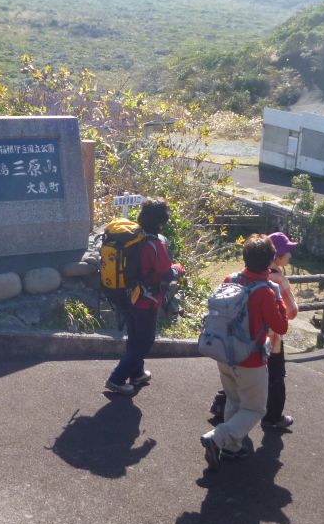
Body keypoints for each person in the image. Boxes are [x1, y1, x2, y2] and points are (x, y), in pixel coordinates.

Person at [200, 234, 288, 469]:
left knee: (234, 400)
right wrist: (279, 298)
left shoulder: (231, 278)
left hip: (224, 352)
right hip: (250, 360)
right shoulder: (265, 292)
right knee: (255, 408)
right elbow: (281, 326)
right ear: (270, 261)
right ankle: (217, 438)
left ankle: (231, 447)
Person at [105, 197, 184, 396]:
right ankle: (116, 379)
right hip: (145, 300)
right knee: (145, 341)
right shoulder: (154, 243)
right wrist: (179, 268)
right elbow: (166, 272)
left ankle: (137, 373)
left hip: (125, 294)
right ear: (162, 220)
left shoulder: (133, 238)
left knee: (134, 337)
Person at [262, 232, 300, 431]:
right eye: (287, 252)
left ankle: (222, 404)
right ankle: (273, 416)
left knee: (250, 372)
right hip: (274, 339)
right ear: (277, 256)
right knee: (276, 375)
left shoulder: (257, 273)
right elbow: (292, 312)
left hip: (254, 335)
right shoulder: (279, 280)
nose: (290, 256)